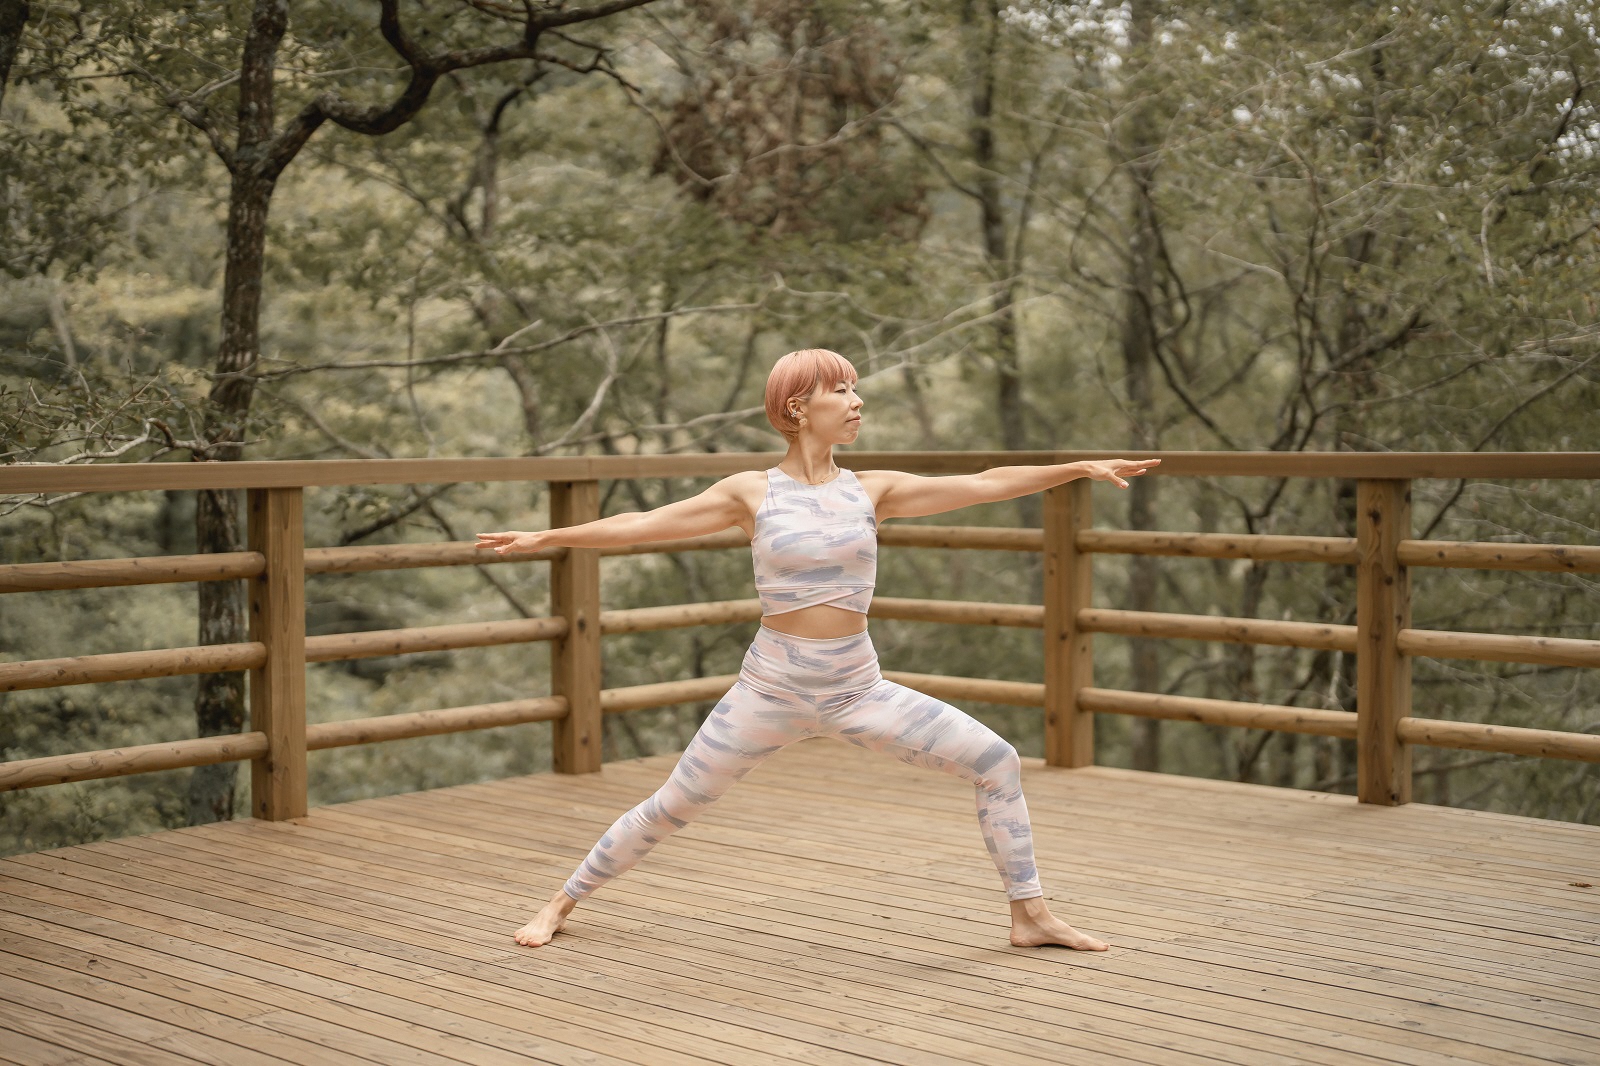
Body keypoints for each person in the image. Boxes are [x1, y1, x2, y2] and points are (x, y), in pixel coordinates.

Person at [476, 348, 1158, 951]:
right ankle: (561, 901)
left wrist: (1077, 467)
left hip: (859, 691)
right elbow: (645, 523)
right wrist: (547, 538)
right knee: (672, 806)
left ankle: (1030, 915)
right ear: (798, 407)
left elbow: (983, 482)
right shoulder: (752, 493)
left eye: (857, 390)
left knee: (997, 761)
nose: (858, 402)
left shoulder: (873, 490)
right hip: (768, 692)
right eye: (843, 390)